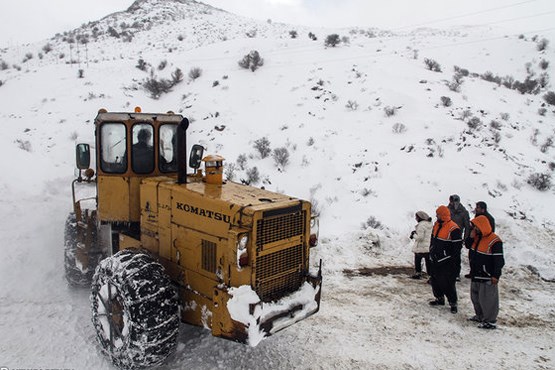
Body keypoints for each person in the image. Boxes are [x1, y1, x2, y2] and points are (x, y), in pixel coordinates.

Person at [466, 215, 504, 329]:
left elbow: (499, 260)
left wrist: (496, 275)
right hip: (476, 273)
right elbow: (467, 245)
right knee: (476, 297)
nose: (474, 229)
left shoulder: (495, 241)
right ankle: (480, 315)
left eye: (475, 227)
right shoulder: (476, 238)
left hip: (487, 275)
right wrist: (471, 237)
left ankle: (490, 320)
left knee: (488, 299)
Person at [428, 205, 462, 314]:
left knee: (447, 282)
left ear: (442, 215)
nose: (436, 216)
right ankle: (439, 298)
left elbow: (457, 248)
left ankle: (453, 302)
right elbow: (433, 239)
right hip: (435, 258)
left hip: (447, 261)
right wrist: (431, 250)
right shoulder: (437, 225)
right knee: (435, 280)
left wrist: (453, 261)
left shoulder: (453, 228)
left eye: (438, 214)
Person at [464, 201, 496, 278]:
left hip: (484, 240)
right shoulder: (477, 216)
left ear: (483, 209)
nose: (476, 209)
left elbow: (490, 230)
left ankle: (480, 272)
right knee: (472, 255)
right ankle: (473, 272)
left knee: (480, 257)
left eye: (478, 207)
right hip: (475, 238)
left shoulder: (489, 218)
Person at [448, 194, 470, 280]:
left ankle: (456, 273)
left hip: (457, 237)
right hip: (447, 237)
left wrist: (466, 238)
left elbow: (467, 226)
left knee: (456, 256)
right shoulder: (447, 210)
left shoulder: (464, 212)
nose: (451, 203)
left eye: (452, 201)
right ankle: (448, 272)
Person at [409, 211, 433, 279]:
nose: (416, 218)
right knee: (428, 262)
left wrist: (413, 235)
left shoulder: (421, 225)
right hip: (428, 246)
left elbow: (420, 237)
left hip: (421, 246)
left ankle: (418, 273)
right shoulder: (429, 224)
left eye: (416, 217)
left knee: (417, 259)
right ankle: (430, 276)